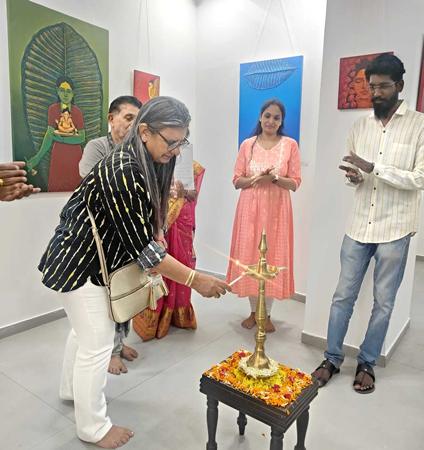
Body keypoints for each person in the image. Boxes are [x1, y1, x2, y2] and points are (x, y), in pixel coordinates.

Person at [38, 96, 230, 448]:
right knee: (98, 343)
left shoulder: (147, 162)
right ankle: (92, 427)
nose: (176, 150)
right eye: (170, 142)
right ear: (144, 132)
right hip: (80, 263)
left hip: (93, 263)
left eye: (182, 142)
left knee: (83, 334)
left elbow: (145, 227)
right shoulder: (123, 168)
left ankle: (71, 391)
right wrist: (196, 279)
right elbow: (145, 251)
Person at [312, 54, 424, 394]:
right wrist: (355, 176)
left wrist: (374, 168)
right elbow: (357, 174)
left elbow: (419, 178)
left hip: (396, 228)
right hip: (359, 225)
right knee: (342, 297)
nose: (375, 93)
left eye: (382, 87)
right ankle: (331, 358)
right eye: (371, 87)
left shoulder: (419, 125)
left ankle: (367, 362)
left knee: (384, 302)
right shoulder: (360, 127)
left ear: (399, 85)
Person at [79, 95, 143, 376]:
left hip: (127, 236)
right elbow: (92, 184)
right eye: (128, 118)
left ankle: (120, 342)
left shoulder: (137, 152)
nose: (132, 125)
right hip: (101, 237)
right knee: (107, 296)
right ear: (111, 118)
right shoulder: (97, 147)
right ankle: (110, 352)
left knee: (126, 292)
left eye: (137, 121)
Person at [226, 99, 301, 332]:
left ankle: (266, 314)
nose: (271, 121)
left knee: (271, 258)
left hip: (277, 210)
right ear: (260, 117)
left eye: (276, 117)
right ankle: (253, 312)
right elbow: (237, 180)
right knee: (250, 256)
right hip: (250, 209)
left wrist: (275, 179)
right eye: (267, 116)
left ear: (281, 121)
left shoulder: (290, 145)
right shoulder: (247, 145)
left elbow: (295, 183)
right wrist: (257, 179)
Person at [133, 160, 205, 340]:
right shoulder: (149, 161)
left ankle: (176, 316)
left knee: (181, 262)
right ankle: (153, 321)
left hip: (182, 220)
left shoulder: (191, 166)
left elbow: (193, 195)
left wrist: (183, 192)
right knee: (157, 266)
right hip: (158, 219)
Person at [26, 76, 86, 192]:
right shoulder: (53, 109)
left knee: (75, 188)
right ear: (57, 91)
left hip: (75, 156)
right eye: (62, 90)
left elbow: (82, 138)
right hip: (58, 154)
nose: (65, 94)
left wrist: (60, 139)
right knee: (56, 186)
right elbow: (49, 135)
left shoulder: (77, 112)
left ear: (73, 93)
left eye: (68, 91)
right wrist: (37, 158)